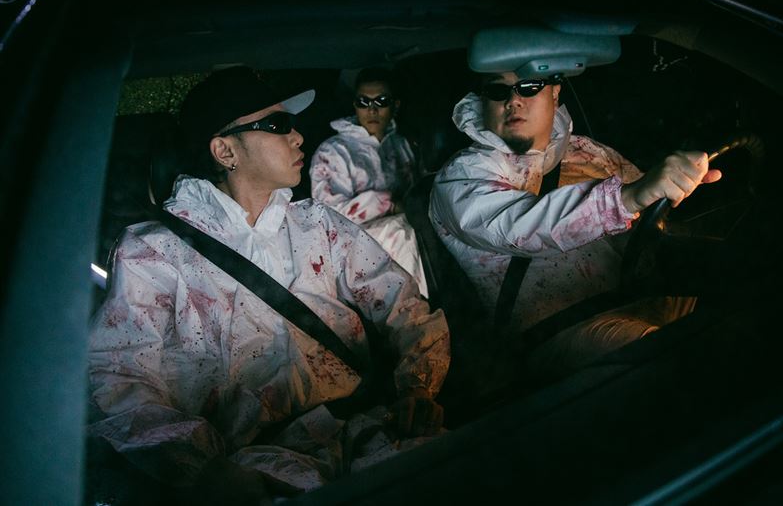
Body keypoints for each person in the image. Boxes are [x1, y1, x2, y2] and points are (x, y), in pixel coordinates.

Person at [87, 66, 450, 505]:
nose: (297, 137)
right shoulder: (154, 254)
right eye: (278, 125)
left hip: (372, 428)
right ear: (225, 150)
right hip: (258, 468)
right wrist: (203, 468)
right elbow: (118, 375)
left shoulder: (317, 224)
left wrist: (417, 387)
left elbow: (402, 303)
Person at [429, 69, 721, 383]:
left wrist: (677, 187)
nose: (513, 100)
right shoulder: (461, 176)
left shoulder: (586, 150)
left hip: (646, 293)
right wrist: (629, 197)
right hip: (564, 330)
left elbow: (649, 219)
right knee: (670, 364)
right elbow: (522, 227)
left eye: (529, 86)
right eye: (498, 91)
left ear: (555, 93)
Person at [310, 67, 428, 297]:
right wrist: (388, 204)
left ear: (395, 105)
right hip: (351, 242)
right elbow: (327, 217)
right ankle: (418, 306)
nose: (372, 110)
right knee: (402, 232)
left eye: (381, 101)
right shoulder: (334, 151)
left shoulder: (403, 145)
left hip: (404, 228)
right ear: (354, 105)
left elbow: (418, 192)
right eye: (363, 102)